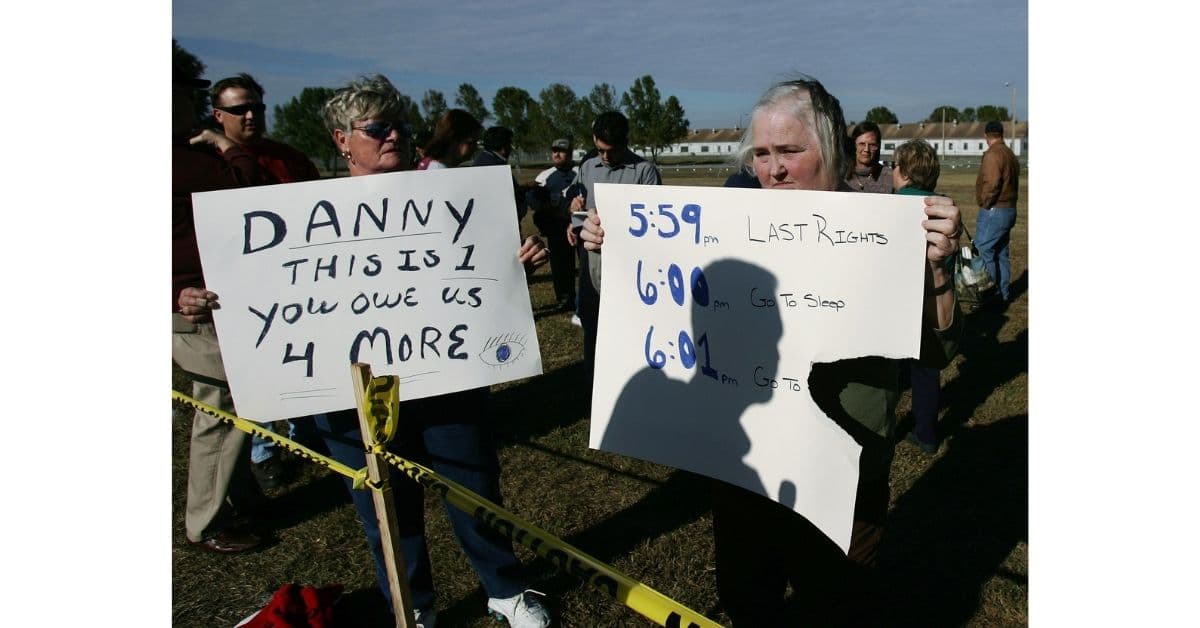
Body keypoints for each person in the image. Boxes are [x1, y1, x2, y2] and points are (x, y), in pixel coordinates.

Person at [581, 75, 962, 626]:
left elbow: (939, 349)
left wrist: (938, 270)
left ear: (830, 148)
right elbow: (658, 300)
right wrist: (615, 244)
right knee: (748, 599)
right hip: (743, 470)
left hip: (844, 474)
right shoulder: (727, 227)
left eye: (789, 151)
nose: (772, 169)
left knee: (834, 606)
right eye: (761, 153)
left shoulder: (887, 228)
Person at [318, 74, 551, 628]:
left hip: (448, 374)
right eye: (377, 128)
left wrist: (515, 261)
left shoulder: (451, 197)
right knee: (386, 505)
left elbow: (479, 273)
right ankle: (413, 602)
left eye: (400, 125)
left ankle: (504, 587)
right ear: (342, 140)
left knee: (472, 484)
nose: (394, 135)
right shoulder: (312, 213)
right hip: (358, 390)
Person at [172, 64, 268, 554]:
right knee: (221, 402)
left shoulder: (190, 152)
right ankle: (204, 523)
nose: (192, 102)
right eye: (188, 93)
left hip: (219, 297)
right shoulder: (189, 155)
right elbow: (242, 195)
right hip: (191, 304)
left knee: (235, 400)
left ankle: (238, 497)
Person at [210, 72, 322, 490]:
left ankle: (302, 434)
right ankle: (263, 450)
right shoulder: (207, 162)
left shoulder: (289, 157)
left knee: (298, 355)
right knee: (252, 368)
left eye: (257, 106)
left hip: (295, 280)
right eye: (240, 109)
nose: (251, 115)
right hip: (239, 288)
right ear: (218, 115)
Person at [570, 112, 662, 382]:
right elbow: (578, 208)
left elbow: (654, 226)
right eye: (600, 150)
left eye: (613, 150)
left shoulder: (645, 171)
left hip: (629, 270)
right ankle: (593, 381)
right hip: (592, 267)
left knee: (628, 328)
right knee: (592, 324)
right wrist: (574, 209)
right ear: (594, 141)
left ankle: (628, 381)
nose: (606, 157)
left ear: (626, 142)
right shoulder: (587, 168)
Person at [893, 139, 946, 455]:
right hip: (932, 300)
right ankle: (926, 432)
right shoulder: (942, 205)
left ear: (902, 170)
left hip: (899, 301)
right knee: (927, 370)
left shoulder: (895, 206)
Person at [528, 138, 582, 311]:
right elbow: (535, 202)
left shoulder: (580, 172)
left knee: (586, 266)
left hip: (580, 225)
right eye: (554, 150)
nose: (557, 154)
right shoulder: (544, 176)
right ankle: (565, 299)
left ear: (570, 152)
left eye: (562, 151)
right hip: (557, 228)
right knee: (560, 266)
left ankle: (588, 299)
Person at [974, 119, 1020, 305]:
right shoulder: (1009, 153)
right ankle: (1003, 294)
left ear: (986, 135)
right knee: (1001, 253)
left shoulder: (993, 154)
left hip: (995, 209)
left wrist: (985, 203)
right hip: (1009, 209)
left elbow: (992, 183)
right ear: (1001, 134)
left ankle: (990, 296)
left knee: (984, 251)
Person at [471, 126, 532, 222]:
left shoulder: (485, 159)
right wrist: (526, 188)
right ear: (504, 146)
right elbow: (506, 195)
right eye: (509, 144)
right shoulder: (494, 167)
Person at [417, 108, 483, 170]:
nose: (476, 148)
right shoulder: (440, 172)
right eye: (472, 142)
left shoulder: (433, 165)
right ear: (454, 140)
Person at [845, 121, 893, 193]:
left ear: (878, 147)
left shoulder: (890, 177)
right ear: (854, 145)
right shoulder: (841, 176)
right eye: (862, 144)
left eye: (872, 145)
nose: (866, 149)